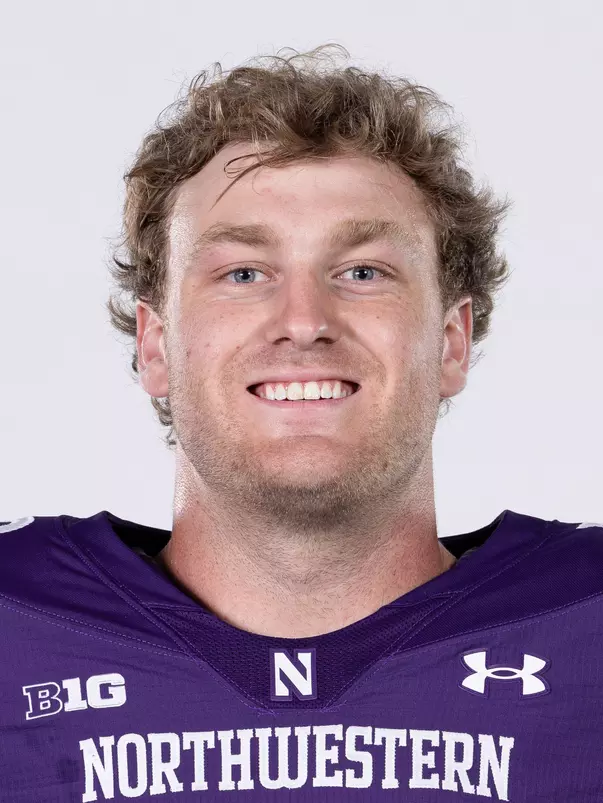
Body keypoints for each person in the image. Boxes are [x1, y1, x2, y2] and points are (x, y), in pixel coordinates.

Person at [1, 45, 601, 803]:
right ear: (155, 345)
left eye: (362, 271)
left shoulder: (585, 624)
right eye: (243, 273)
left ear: (450, 342)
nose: (304, 322)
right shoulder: (15, 621)